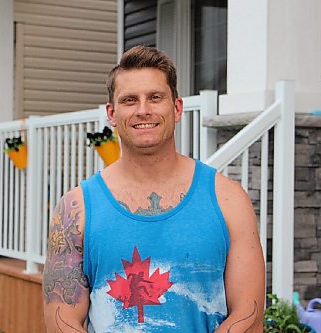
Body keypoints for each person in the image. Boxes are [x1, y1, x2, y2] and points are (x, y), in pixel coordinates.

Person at [43, 45, 265, 333]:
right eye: (130, 100)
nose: (143, 110)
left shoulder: (229, 199)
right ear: (112, 113)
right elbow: (61, 321)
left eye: (155, 97)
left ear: (177, 108)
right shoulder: (76, 209)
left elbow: (248, 316)